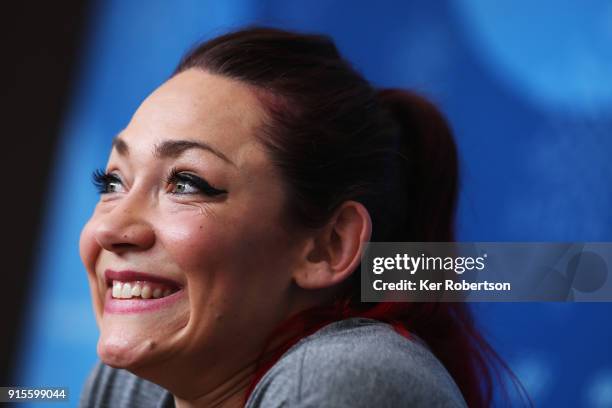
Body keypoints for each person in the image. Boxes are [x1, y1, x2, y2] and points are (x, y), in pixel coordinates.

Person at [78, 27, 509, 408]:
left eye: (187, 183)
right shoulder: (130, 388)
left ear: (329, 246)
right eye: (112, 182)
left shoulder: (342, 382)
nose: (110, 229)